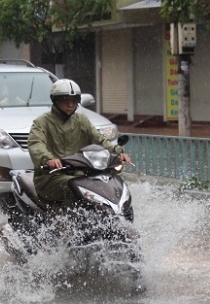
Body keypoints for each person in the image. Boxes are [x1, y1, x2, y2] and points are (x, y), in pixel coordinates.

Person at [27, 79, 132, 209]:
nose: (70, 104)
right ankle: (67, 224)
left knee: (109, 184)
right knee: (72, 187)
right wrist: (48, 159)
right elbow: (36, 144)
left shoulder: (81, 120)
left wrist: (117, 151)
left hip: (81, 174)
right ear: (55, 100)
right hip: (51, 177)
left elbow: (99, 139)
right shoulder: (41, 122)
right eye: (65, 100)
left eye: (74, 100)